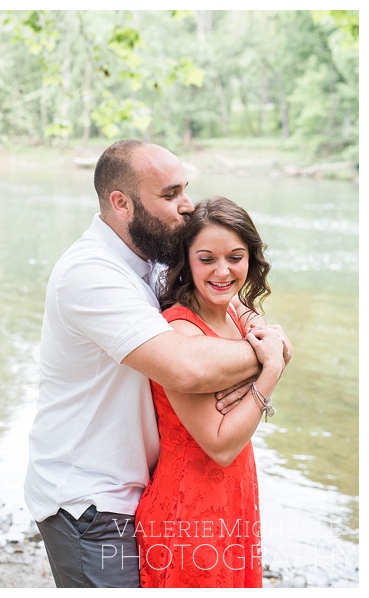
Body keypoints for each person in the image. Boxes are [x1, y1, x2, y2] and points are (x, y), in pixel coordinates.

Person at [23, 140, 292, 588]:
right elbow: (186, 368)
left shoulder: (151, 260)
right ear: (121, 203)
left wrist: (270, 338)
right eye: (170, 195)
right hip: (91, 502)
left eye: (185, 189)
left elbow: (237, 309)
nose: (187, 206)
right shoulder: (91, 273)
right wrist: (269, 359)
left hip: (142, 489)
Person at [136, 197, 284, 587]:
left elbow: (265, 329)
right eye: (207, 259)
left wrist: (278, 342)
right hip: (190, 502)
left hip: (234, 493)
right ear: (187, 260)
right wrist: (270, 372)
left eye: (235, 257)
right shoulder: (180, 332)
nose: (223, 271)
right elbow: (219, 444)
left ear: (251, 258)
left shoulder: (233, 309)